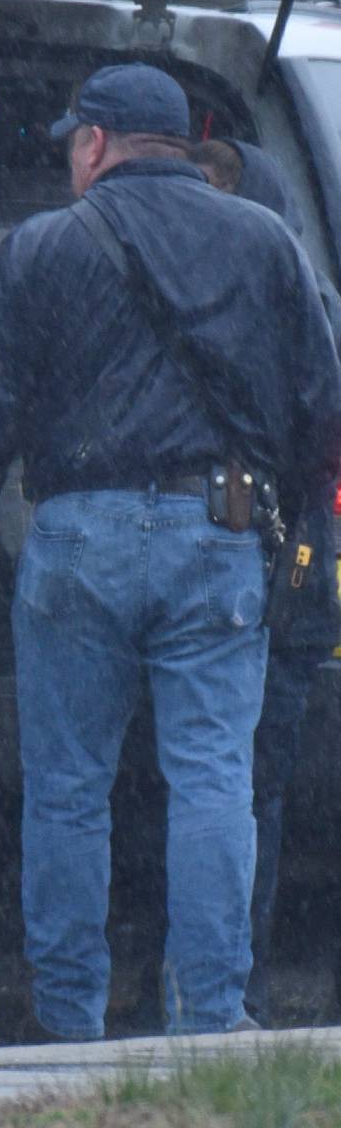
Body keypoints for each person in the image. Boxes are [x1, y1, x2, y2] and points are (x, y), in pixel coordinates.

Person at [0, 64, 341, 1040]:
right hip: (220, 535)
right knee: (212, 775)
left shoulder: (39, 247)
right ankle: (209, 1009)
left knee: (68, 790)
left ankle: (67, 1014)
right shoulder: (267, 241)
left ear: (96, 143)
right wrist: (285, 526)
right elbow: (323, 408)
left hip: (76, 538)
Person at [192, 139, 341, 1024]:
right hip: (261, 573)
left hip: (283, 580)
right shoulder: (286, 288)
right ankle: (209, 982)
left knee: (246, 785)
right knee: (227, 784)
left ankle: (226, 983)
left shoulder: (290, 297)